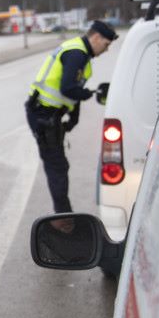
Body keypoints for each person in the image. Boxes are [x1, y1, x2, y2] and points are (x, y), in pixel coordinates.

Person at [25, 20, 118, 214]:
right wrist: (89, 94)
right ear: (96, 37)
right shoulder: (77, 54)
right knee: (57, 167)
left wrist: (73, 117)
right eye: (106, 44)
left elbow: (73, 89)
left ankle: (64, 214)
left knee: (59, 166)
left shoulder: (80, 53)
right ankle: (63, 220)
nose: (106, 49)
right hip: (43, 114)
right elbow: (68, 88)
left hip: (50, 114)